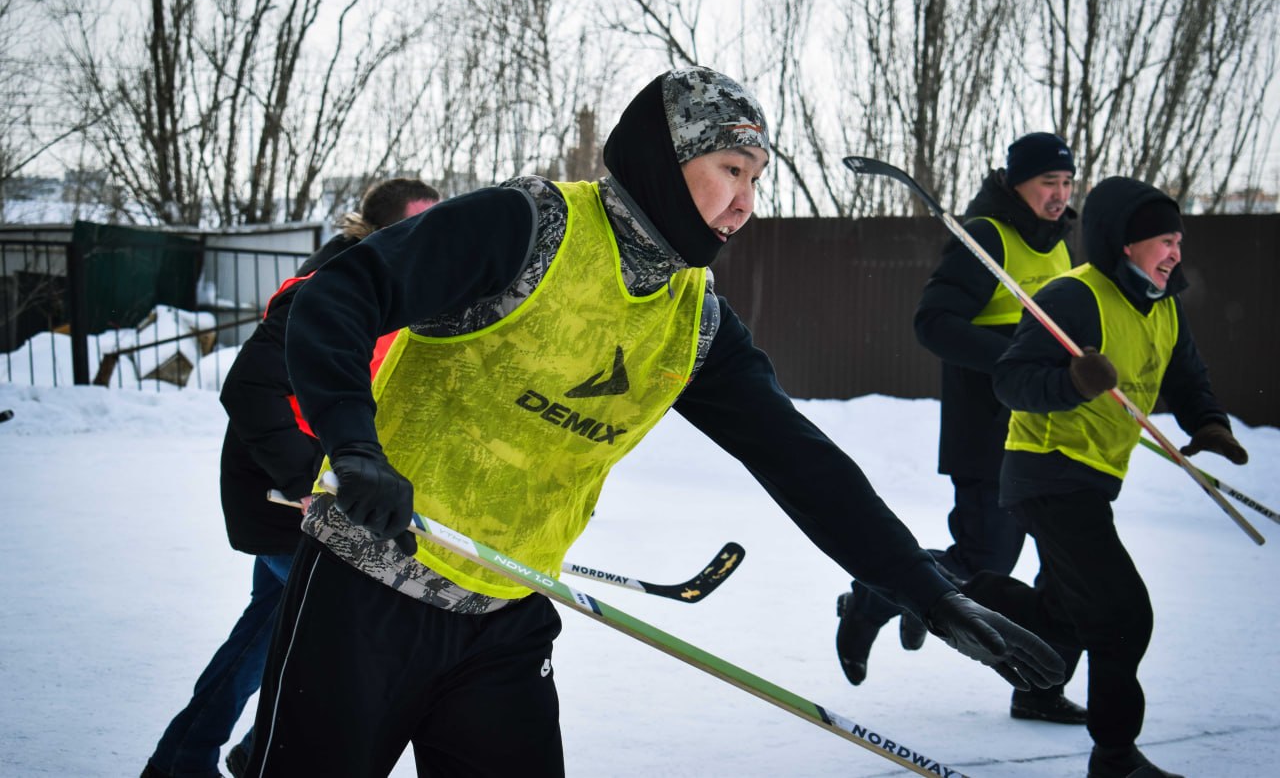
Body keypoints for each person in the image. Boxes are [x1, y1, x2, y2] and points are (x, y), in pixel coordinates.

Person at [247, 66, 1065, 777]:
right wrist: (354, 446)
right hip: (364, 590)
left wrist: (925, 590)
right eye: (730, 170)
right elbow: (338, 296)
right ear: (667, 162)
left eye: (758, 181)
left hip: (504, 613)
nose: (746, 204)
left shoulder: (694, 318)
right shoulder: (529, 225)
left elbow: (800, 460)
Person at [141, 178, 440, 778]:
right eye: (416, 229)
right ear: (377, 232)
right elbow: (250, 388)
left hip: (322, 493)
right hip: (287, 497)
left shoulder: (403, 290)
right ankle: (256, 754)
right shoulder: (330, 291)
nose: (429, 242)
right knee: (355, 640)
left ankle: (194, 760)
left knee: (265, 638)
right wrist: (309, 479)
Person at [959, 176, 1249, 778]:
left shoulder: (1164, 306)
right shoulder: (1074, 297)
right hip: (1047, 473)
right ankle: (1115, 757)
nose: (1175, 253)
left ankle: (927, 587)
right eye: (1164, 241)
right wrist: (1070, 383)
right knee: (1123, 614)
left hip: (1092, 479)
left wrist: (1210, 423)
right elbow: (1010, 381)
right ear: (1125, 243)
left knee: (1066, 620)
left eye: (1178, 241)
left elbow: (1186, 378)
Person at [836, 132, 1087, 722]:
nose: (1059, 194)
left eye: (1067, 183)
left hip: (1046, 433)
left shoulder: (1058, 248)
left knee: (1068, 564)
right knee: (983, 563)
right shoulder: (986, 237)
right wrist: (1015, 359)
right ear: (1015, 183)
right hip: (989, 432)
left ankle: (1038, 690)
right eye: (1048, 183)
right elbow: (934, 324)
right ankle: (873, 597)